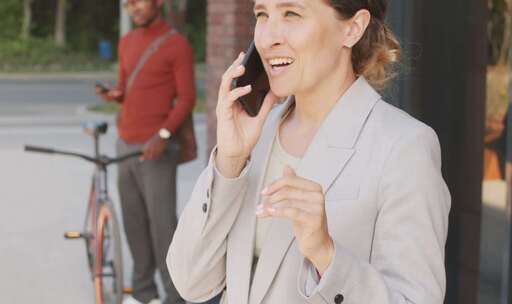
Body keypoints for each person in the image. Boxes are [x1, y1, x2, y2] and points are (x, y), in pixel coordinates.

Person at [167, 0, 451, 303]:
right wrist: (229, 162)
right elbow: (190, 282)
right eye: (262, 14)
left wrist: (327, 255)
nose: (267, 38)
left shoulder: (404, 148)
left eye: (291, 13)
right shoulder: (254, 133)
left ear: (352, 28)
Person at [95, 0, 195, 303]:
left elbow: (187, 98)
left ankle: (175, 296)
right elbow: (127, 88)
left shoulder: (177, 44)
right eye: (128, 4)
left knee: (163, 226)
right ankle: (142, 293)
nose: (133, 8)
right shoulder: (127, 42)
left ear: (158, 2)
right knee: (134, 222)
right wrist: (115, 95)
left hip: (157, 149)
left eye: (139, 1)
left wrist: (163, 134)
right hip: (125, 143)